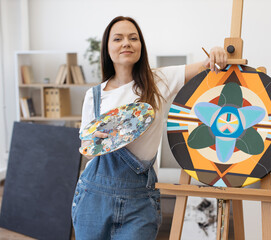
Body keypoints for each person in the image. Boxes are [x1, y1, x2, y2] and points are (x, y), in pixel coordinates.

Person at [72, 16, 227, 240]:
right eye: (118, 38)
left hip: (139, 201)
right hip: (93, 197)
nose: (126, 43)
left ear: (141, 47)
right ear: (107, 48)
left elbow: (207, 66)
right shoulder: (94, 95)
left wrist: (216, 52)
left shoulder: (159, 81)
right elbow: (85, 146)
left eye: (133, 38)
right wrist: (94, 141)